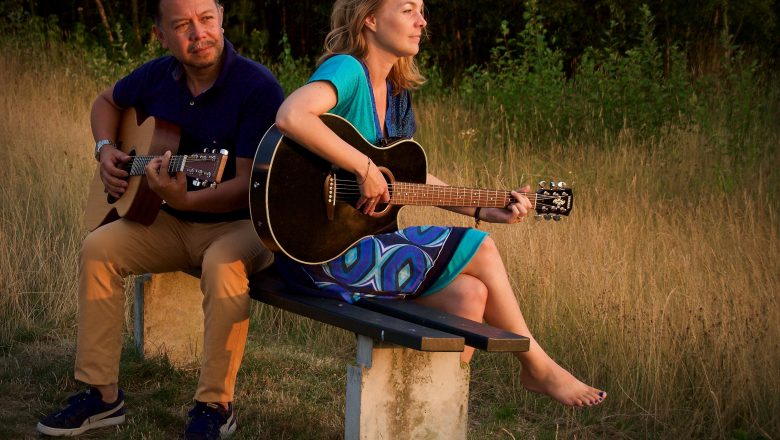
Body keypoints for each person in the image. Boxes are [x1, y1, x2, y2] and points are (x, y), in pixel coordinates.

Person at [274, 0, 605, 408]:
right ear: (371, 19)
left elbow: (407, 179)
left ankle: (432, 416)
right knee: (480, 248)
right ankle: (537, 366)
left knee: (469, 296)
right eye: (408, 9)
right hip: (319, 253)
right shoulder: (348, 70)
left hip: (361, 247)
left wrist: (485, 209)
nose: (421, 21)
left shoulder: (395, 95)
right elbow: (291, 115)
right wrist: (362, 167)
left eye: (422, 10)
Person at [36, 0, 284, 438]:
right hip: (170, 220)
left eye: (206, 19)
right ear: (161, 35)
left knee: (222, 264)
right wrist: (105, 150)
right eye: (182, 25)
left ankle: (214, 406)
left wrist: (184, 199)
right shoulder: (156, 76)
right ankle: (101, 395)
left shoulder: (257, 86)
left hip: (244, 225)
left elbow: (248, 184)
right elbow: (106, 101)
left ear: (222, 17)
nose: (199, 34)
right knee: (99, 248)